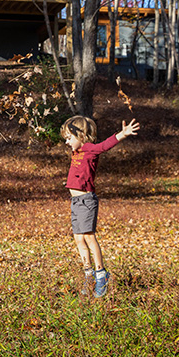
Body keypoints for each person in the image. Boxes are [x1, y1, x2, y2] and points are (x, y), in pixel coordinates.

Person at [60, 115, 139, 298]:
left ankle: (101, 274)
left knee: (89, 237)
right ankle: (89, 276)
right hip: (76, 202)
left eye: (69, 138)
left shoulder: (89, 149)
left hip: (86, 201)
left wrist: (122, 134)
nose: (66, 142)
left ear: (81, 136)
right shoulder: (76, 151)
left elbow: (104, 146)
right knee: (78, 239)